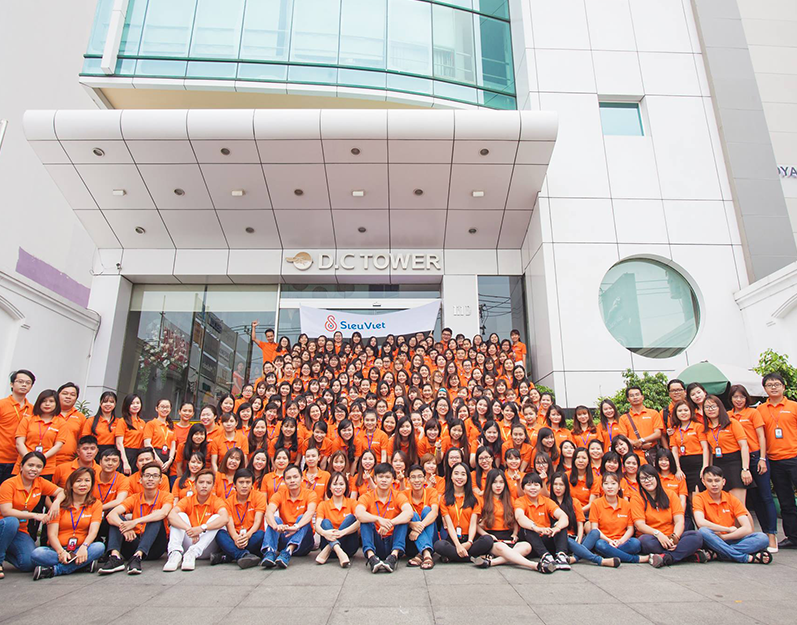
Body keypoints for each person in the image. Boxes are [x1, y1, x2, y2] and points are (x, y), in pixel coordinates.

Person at [30, 467, 105, 579]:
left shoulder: (96, 504)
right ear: (71, 485)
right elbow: (52, 534)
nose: (83, 484)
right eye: (78, 481)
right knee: (37, 554)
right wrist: (61, 552)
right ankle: (81, 565)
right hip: (58, 549)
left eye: (87, 480)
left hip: (81, 548)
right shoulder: (59, 505)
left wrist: (84, 547)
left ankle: (54, 570)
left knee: (99, 547)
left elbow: (93, 531)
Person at [100, 463, 173, 575]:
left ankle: (138, 556)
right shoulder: (134, 498)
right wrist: (124, 527)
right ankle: (115, 557)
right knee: (117, 518)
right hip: (134, 541)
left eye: (155, 476)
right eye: (147, 475)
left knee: (156, 517)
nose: (150, 479)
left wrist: (135, 522)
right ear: (140, 479)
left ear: (160, 480)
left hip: (155, 546)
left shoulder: (166, 496)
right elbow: (111, 515)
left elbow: (163, 513)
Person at [729, 384, 778, 552]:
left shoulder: (753, 413)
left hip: (755, 457)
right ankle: (758, 536)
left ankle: (771, 536)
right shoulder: (727, 415)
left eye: (741, 396)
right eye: (735, 397)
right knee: (754, 499)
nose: (738, 400)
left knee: (765, 496)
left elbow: (761, 436)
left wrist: (762, 458)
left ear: (746, 398)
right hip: (738, 459)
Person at [0, 451, 64, 578]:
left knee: (28, 563)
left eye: (38, 466)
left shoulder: (39, 482)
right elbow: (6, 511)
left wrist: (56, 503)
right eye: (30, 465)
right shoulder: (9, 484)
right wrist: (34, 515)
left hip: (20, 530)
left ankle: (4, 550)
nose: (34, 469)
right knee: (12, 521)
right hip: (4, 526)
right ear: (21, 466)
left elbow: (62, 491)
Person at [690, 465, 771, 564]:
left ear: (723, 482)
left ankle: (718, 554)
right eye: (710, 481)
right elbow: (700, 522)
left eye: (717, 480)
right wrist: (727, 529)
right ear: (704, 482)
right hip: (712, 539)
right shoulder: (699, 498)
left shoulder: (731, 498)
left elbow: (747, 528)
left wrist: (724, 537)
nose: (714, 484)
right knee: (703, 531)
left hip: (731, 537)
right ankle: (744, 557)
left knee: (762, 538)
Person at [632, 465, 704, 568]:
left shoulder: (670, 494)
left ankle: (666, 557)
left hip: (672, 536)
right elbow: (640, 525)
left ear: (656, 477)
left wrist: (674, 538)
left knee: (696, 536)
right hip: (653, 537)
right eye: (643, 478)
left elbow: (679, 521)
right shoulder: (636, 497)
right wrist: (658, 534)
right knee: (645, 541)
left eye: (650, 477)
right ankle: (685, 555)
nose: (647, 481)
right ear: (639, 482)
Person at [756, 372, 797, 550]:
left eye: (777, 384)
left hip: (794, 457)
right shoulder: (760, 410)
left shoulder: (794, 406)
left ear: (784, 387)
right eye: (769, 385)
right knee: (785, 501)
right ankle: (793, 537)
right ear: (764, 389)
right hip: (774, 460)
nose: (773, 387)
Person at [163, 469, 228, 572]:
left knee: (217, 518)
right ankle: (175, 553)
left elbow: (225, 518)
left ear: (213, 486)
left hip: (205, 547)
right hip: (189, 541)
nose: (204, 486)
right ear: (195, 485)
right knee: (179, 515)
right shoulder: (187, 500)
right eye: (201, 482)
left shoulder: (216, 501)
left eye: (208, 483)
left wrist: (201, 528)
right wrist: (189, 529)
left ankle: (192, 553)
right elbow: (171, 515)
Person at [549, 471, 618, 568]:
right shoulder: (548, 502)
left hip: (574, 539)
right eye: (555, 484)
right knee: (563, 535)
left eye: (561, 485)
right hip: (557, 540)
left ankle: (575, 557)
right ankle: (599, 560)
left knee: (595, 532)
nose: (558, 488)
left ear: (566, 487)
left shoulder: (574, 502)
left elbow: (580, 525)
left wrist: (578, 542)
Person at [355, 463, 413, 573]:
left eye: (387, 477)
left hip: (392, 540)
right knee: (365, 520)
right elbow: (359, 513)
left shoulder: (398, 495)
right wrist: (378, 519)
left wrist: (390, 523)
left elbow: (409, 512)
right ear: (375, 479)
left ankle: (393, 557)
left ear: (393, 479)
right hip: (376, 540)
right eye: (381, 477)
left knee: (402, 520)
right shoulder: (367, 496)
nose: (384, 480)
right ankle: (372, 558)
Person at [433, 462, 494, 564]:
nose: (459, 477)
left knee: (488, 540)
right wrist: (458, 545)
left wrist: (469, 542)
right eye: (456, 473)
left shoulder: (474, 498)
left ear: (467, 477)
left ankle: (453, 557)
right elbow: (449, 525)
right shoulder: (444, 498)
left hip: (470, 538)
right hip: (454, 539)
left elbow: (473, 524)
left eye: (463, 474)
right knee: (438, 545)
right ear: (451, 476)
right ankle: (471, 558)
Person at [261, 464, 317, 569]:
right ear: (284, 481)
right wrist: (275, 526)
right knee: (275, 519)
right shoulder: (279, 494)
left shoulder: (310, 494)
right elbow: (269, 512)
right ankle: (270, 552)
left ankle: (288, 551)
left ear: (302, 478)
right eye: (289, 478)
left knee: (302, 518)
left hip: (303, 542)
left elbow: (310, 512)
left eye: (295, 477)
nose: (292, 480)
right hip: (285, 536)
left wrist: (296, 527)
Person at [514, 472, 570, 571]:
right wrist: (536, 528)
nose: (533, 488)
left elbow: (564, 516)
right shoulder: (520, 501)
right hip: (530, 542)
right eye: (529, 485)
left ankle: (561, 556)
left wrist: (556, 528)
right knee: (527, 528)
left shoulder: (546, 501)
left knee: (561, 525)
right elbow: (520, 517)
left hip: (545, 537)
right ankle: (545, 556)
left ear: (541, 487)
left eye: (536, 485)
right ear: (523, 488)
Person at [589, 472, 649, 564]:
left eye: (613, 483)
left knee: (635, 543)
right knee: (600, 545)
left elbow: (630, 529)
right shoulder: (596, 504)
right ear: (602, 487)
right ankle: (635, 559)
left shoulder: (626, 505)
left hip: (622, 541)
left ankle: (610, 554)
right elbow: (595, 529)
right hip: (605, 541)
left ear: (619, 487)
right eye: (606, 484)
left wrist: (620, 541)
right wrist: (609, 541)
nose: (610, 487)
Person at [213, 468, 265, 569]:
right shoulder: (228, 502)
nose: (244, 486)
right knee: (220, 534)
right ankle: (244, 555)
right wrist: (236, 538)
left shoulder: (259, 497)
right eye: (241, 482)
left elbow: (258, 521)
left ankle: (228, 556)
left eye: (248, 482)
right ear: (235, 485)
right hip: (235, 538)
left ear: (252, 484)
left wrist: (247, 536)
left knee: (261, 535)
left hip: (252, 536)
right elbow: (230, 525)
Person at [14, 389, 65, 479]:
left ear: (57, 404)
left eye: (51, 401)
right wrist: (29, 458)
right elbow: (19, 442)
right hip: (25, 464)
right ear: (39, 403)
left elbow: (58, 446)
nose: (47, 404)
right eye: (44, 401)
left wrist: (41, 459)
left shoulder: (61, 423)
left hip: (46, 466)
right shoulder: (27, 420)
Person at [314, 471, 360, 567]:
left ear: (346, 486)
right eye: (335, 484)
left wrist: (342, 532)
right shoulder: (323, 504)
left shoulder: (352, 503)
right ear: (329, 487)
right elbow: (317, 526)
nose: (338, 487)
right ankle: (338, 551)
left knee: (351, 518)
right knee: (325, 522)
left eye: (341, 484)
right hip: (330, 547)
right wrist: (325, 533)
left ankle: (330, 547)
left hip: (348, 548)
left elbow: (360, 522)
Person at [0, 370, 35, 484]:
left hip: (18, 461)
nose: (24, 385)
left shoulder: (33, 409)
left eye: (28, 383)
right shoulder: (2, 404)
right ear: (11, 384)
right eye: (20, 382)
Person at [402, 464, 437, 570]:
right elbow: (401, 517)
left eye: (420, 477)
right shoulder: (403, 494)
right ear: (408, 480)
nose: (417, 480)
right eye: (413, 477)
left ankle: (423, 554)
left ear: (425, 479)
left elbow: (434, 512)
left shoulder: (431, 492)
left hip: (430, 537)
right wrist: (412, 524)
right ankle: (426, 554)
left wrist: (419, 527)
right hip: (411, 540)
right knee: (412, 513)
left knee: (427, 510)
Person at [619, 386, 664, 463]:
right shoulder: (623, 418)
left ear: (642, 397)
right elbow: (623, 437)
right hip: (633, 456)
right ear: (628, 399)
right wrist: (635, 444)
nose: (635, 397)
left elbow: (658, 434)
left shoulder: (653, 413)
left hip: (651, 454)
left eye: (637, 394)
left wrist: (641, 441)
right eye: (632, 395)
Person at [114, 394, 145, 475]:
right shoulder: (122, 421)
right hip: (125, 454)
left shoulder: (142, 422)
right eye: (132, 403)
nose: (135, 405)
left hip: (138, 455)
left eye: (138, 403)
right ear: (127, 405)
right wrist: (125, 462)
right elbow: (119, 443)